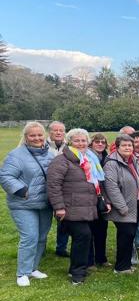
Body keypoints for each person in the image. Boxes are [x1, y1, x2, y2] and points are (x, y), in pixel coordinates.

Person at [47, 128, 107, 285]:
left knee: (82, 238)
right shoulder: (62, 160)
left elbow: (96, 183)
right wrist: (59, 207)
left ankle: (76, 268)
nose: (81, 143)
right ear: (69, 142)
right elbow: (53, 185)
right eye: (77, 140)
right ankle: (77, 273)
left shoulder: (89, 159)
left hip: (86, 207)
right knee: (83, 236)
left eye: (83, 140)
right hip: (70, 207)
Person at [0, 122, 55, 286]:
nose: (37, 138)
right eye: (33, 135)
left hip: (45, 203)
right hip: (23, 203)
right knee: (30, 236)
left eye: (40, 135)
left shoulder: (50, 154)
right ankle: (22, 273)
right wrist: (22, 190)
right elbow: (5, 177)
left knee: (41, 237)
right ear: (26, 137)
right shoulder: (16, 155)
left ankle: (33, 268)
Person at [103, 134, 139, 274]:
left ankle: (126, 264)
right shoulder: (112, 163)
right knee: (126, 235)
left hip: (135, 205)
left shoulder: (133, 160)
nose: (128, 148)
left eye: (130, 145)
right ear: (117, 147)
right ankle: (121, 267)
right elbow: (111, 187)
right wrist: (122, 207)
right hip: (123, 207)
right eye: (124, 145)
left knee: (129, 235)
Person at [47, 121, 70, 257]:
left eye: (61, 130)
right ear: (50, 132)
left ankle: (61, 248)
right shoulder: (44, 145)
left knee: (63, 219)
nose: (58, 133)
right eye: (55, 130)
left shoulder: (68, 146)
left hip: (64, 187)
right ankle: (40, 246)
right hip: (46, 186)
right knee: (43, 221)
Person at [88, 133, 110, 268]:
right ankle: (89, 261)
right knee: (89, 231)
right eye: (97, 142)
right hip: (90, 197)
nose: (100, 144)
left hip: (102, 197)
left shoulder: (106, 158)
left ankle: (101, 258)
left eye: (103, 142)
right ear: (91, 144)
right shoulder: (87, 157)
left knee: (102, 230)